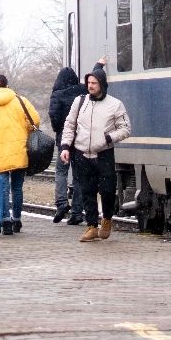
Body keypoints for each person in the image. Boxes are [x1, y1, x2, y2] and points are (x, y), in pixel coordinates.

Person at [60, 63, 132, 242]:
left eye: (94, 83)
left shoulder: (115, 105)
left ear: (102, 84)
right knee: (87, 191)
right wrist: (65, 147)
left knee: (107, 191)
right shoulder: (80, 101)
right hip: (82, 153)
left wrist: (108, 138)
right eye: (89, 82)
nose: (90, 86)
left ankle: (107, 218)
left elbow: (126, 129)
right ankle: (92, 226)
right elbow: (69, 125)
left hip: (104, 154)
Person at [0, 75, 39, 236]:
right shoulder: (20, 100)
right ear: (7, 85)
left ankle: (5, 221)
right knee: (17, 187)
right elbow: (35, 120)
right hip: (20, 150)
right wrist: (23, 130)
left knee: (2, 189)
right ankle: (17, 219)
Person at [48, 59, 106, 225]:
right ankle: (77, 213)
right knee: (79, 177)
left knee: (61, 172)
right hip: (81, 140)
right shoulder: (83, 93)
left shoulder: (57, 95)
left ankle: (61, 203)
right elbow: (95, 80)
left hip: (64, 141)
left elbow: (54, 119)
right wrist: (98, 65)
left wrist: (60, 130)